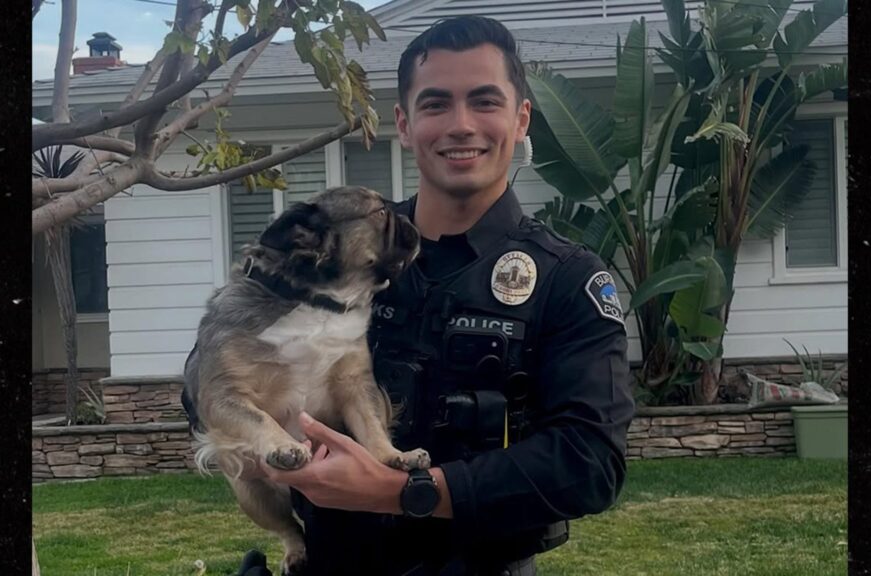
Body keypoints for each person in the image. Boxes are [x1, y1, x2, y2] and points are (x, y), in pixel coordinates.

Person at [197, 15, 635, 576]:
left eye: (484, 101)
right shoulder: (336, 251)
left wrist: (401, 491)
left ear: (521, 118)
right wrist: (261, 428)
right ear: (404, 124)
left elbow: (590, 464)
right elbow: (211, 373)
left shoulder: (566, 278)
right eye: (436, 104)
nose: (461, 125)